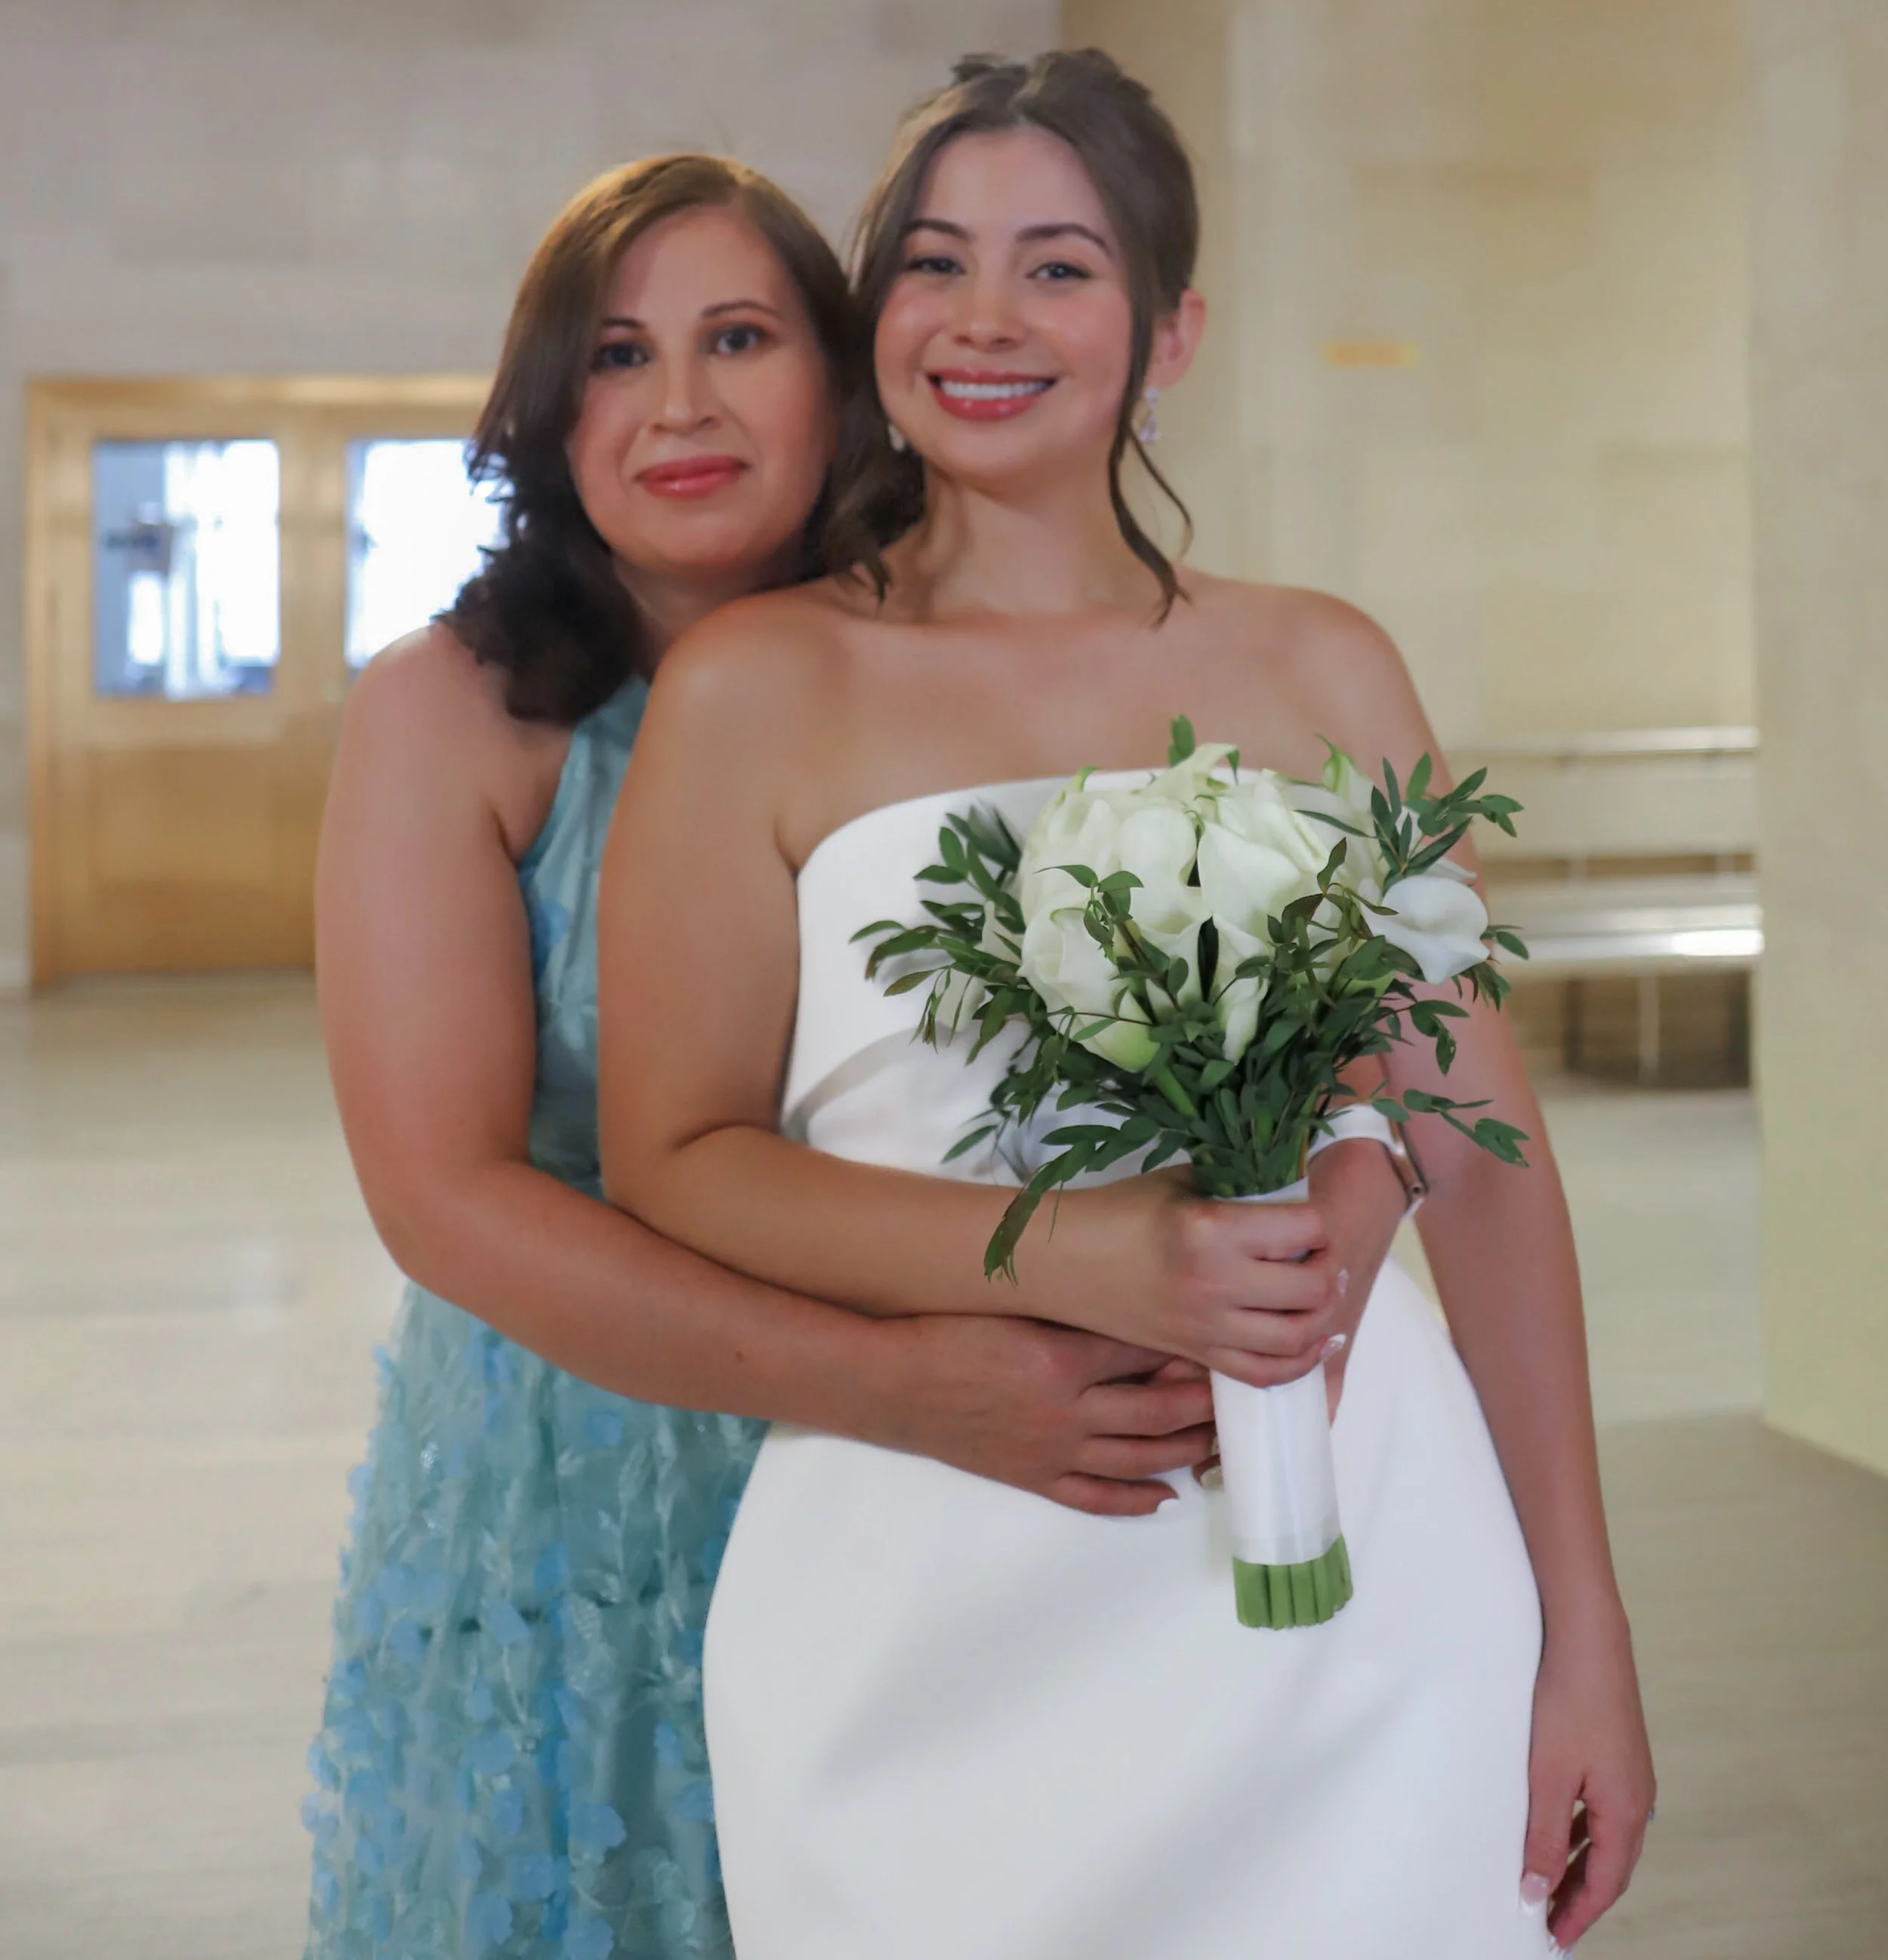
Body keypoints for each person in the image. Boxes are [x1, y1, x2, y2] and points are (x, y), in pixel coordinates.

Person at [597, 51, 1656, 1960]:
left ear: (1166, 334)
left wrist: (1583, 1632)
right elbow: (673, 1155)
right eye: (934, 262)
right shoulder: (757, 682)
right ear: (877, 315)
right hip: (933, 1579)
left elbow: (1474, 1159)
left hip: (1354, 1571)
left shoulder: (1317, 660)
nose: (984, 317)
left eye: (1057, 267)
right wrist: (1077, 1252)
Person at [304, 152, 1411, 1960]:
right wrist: (890, 1380)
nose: (676, 404)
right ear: (544, 408)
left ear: (839, 370)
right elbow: (445, 1191)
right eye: (612, 356)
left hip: (998, 1454)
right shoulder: (457, 705)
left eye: (737, 337)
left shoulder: (944, 676)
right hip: (602, 1454)